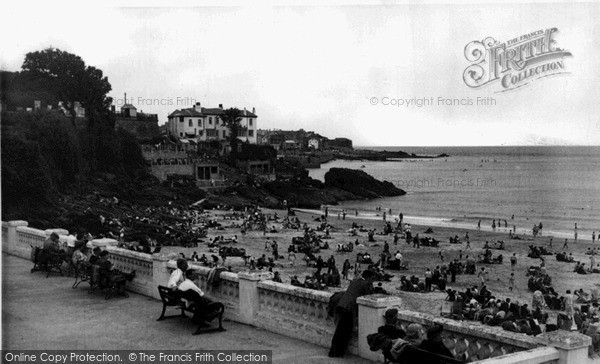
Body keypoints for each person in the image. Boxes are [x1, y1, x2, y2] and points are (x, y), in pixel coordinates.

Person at [329, 270, 376, 357]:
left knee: (340, 330)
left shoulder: (355, 281)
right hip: (350, 309)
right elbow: (369, 296)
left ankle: (333, 351)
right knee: (345, 332)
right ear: (370, 277)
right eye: (373, 278)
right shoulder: (366, 284)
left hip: (343, 305)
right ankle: (339, 352)